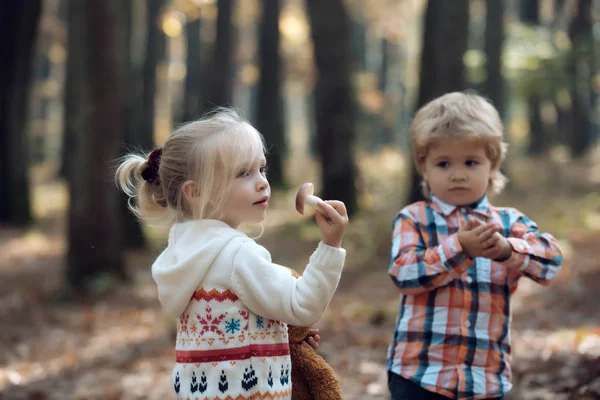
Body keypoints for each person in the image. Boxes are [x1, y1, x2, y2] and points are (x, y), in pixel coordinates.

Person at [115, 108, 348, 399]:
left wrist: (280, 331)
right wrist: (330, 246)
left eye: (261, 169)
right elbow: (302, 304)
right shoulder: (237, 255)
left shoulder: (183, 254)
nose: (262, 181)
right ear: (196, 192)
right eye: (243, 173)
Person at [386, 92, 563, 399]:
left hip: (485, 378)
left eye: (471, 162)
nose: (458, 174)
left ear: (492, 164)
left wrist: (509, 250)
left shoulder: (508, 223)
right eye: (443, 164)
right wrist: (459, 249)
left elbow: (551, 262)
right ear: (423, 166)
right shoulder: (413, 218)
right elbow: (404, 275)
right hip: (418, 375)